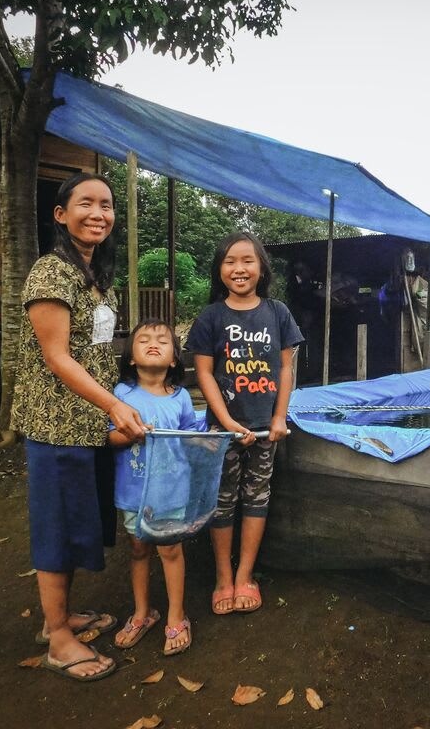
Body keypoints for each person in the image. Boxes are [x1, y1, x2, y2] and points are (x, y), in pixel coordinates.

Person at [11, 172, 145, 682]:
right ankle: (58, 639)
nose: (99, 213)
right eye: (85, 203)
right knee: (57, 528)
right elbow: (57, 357)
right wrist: (115, 405)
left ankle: (61, 616)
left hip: (85, 424)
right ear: (60, 214)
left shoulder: (95, 276)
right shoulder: (51, 273)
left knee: (73, 522)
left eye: (107, 205)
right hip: (55, 423)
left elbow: (99, 350)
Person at [185, 232, 304, 615]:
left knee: (256, 498)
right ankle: (223, 577)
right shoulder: (211, 317)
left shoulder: (278, 312)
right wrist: (226, 421)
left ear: (261, 268)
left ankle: (245, 576)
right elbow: (204, 374)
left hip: (266, 431)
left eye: (248, 261)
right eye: (230, 261)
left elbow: (286, 368)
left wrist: (279, 416)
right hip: (223, 432)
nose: (239, 269)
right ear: (219, 270)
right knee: (222, 501)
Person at [109, 318, 198, 655]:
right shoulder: (119, 396)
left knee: (170, 551)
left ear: (174, 358)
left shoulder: (181, 398)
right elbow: (109, 436)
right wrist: (128, 433)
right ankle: (142, 613)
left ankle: (177, 615)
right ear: (131, 357)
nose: (153, 343)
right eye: (143, 339)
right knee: (138, 549)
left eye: (163, 340)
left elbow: (191, 435)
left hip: (172, 492)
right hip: (132, 492)